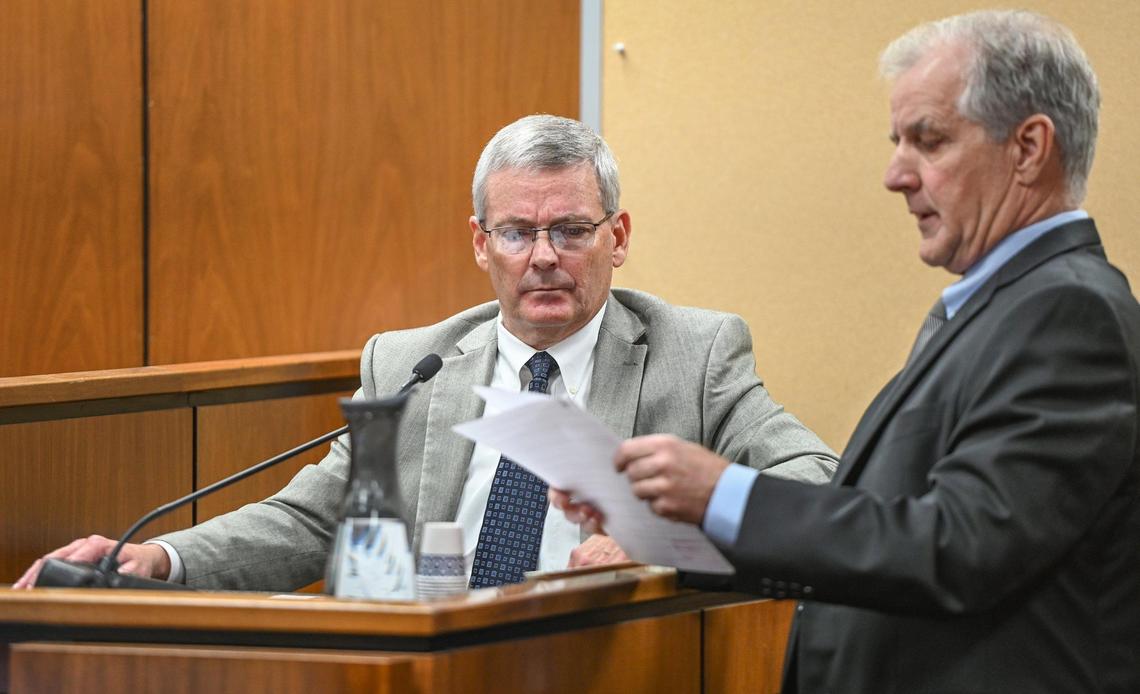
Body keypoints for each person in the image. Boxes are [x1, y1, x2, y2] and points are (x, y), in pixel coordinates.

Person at [554, 10, 1140, 693]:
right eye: (899, 142)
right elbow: (871, 543)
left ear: (1029, 148)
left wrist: (723, 492)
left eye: (929, 141)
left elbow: (954, 545)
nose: (896, 174)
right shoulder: (1001, 306)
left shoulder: (1069, 314)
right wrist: (665, 528)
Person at [16, 115, 837, 592]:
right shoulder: (413, 362)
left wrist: (659, 539)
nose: (543, 255)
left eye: (571, 230)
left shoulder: (693, 353)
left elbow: (814, 481)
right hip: (441, 662)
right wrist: (158, 557)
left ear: (616, 239)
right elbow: (314, 516)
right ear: (482, 244)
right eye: (517, 232)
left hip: (613, 657)